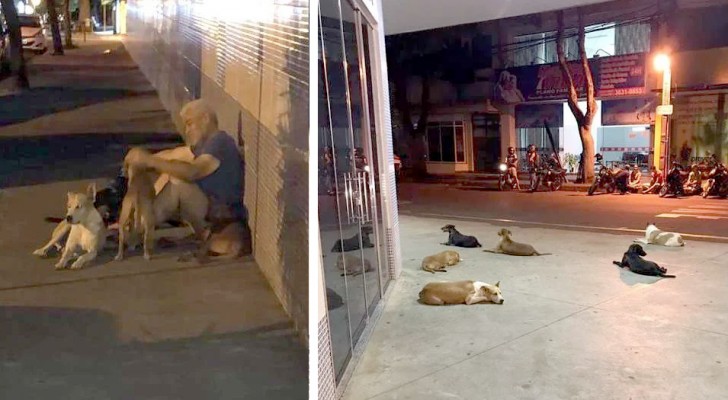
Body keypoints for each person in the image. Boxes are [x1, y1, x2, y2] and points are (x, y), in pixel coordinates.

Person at [124, 99, 249, 251]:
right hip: (210, 211)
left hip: (221, 216)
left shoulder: (220, 143)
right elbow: (175, 154)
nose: (187, 131)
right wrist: (141, 159)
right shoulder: (207, 144)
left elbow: (193, 172)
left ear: (205, 119)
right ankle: (139, 223)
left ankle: (137, 228)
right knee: (169, 171)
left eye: (190, 124)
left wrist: (149, 161)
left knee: (178, 182)